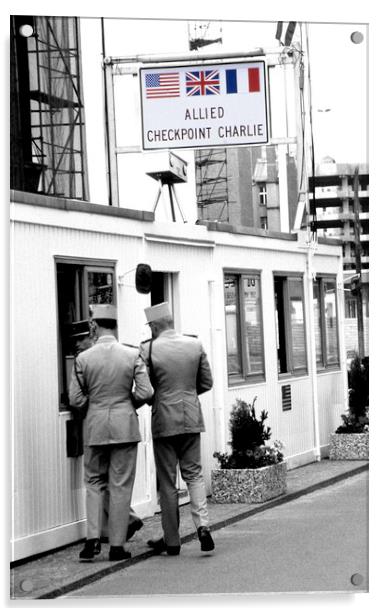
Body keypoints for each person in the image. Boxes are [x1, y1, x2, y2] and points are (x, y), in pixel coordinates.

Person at [69, 304, 153, 562]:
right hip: (124, 427)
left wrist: (93, 407)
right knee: (119, 485)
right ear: (115, 325)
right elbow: (146, 392)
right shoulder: (131, 355)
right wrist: (128, 405)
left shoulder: (84, 359)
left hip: (94, 426)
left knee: (94, 482)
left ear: (95, 325)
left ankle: (92, 541)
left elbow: (75, 398)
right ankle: (116, 546)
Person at [139, 302, 215, 556]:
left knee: (167, 481)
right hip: (191, 416)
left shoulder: (148, 349)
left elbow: (146, 388)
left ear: (156, 325)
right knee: (193, 474)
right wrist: (189, 396)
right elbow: (206, 382)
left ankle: (172, 541)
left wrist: (158, 399)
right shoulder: (194, 344)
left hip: (163, 419)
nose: (149, 329)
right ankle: (202, 526)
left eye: (150, 325)